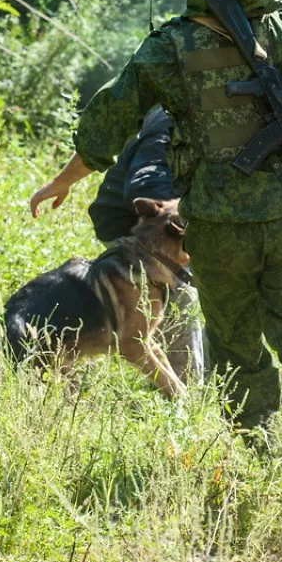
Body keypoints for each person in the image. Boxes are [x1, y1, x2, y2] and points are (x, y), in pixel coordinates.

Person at [29, 0, 282, 452]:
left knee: (234, 344)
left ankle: (263, 453)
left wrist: (62, 181)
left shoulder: (170, 43)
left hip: (214, 223)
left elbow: (110, 117)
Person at [85, 105, 206, 381]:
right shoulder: (173, 118)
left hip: (173, 227)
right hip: (135, 226)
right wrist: (189, 219)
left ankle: (210, 382)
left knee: (211, 292)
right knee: (181, 297)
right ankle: (187, 394)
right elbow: (145, 186)